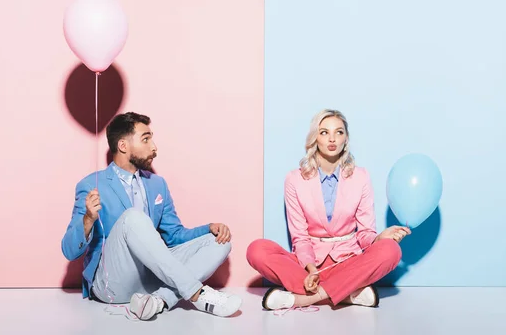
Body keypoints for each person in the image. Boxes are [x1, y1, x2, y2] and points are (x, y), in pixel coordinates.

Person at [61, 112, 242, 320]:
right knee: (133, 218)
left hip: (152, 279)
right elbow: (68, 251)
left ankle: (159, 301)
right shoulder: (90, 185)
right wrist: (87, 221)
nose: (154, 147)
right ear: (123, 146)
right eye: (146, 139)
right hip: (112, 284)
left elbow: (174, 235)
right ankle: (196, 293)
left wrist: (209, 228)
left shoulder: (158, 184)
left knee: (220, 242)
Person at [247, 109, 410, 311]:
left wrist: (380, 238)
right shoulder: (294, 179)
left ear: (346, 138)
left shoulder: (361, 177)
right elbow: (299, 237)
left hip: (349, 263)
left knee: (391, 249)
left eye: (339, 132)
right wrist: (311, 269)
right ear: (315, 137)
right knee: (257, 250)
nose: (332, 139)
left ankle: (305, 298)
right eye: (324, 132)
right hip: (307, 266)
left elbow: (365, 233)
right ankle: (349, 294)